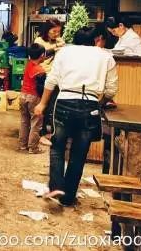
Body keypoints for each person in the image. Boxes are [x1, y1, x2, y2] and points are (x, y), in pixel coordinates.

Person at [35, 27, 118, 206]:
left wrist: (42, 104)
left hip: (64, 102)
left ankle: (56, 186)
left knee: (58, 147)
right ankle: (68, 197)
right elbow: (111, 90)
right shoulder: (106, 57)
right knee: (79, 153)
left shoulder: (64, 52)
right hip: (90, 105)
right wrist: (99, 103)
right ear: (95, 39)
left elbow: (51, 80)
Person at [18, 44, 46, 154]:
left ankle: (22, 145)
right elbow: (40, 88)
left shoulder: (28, 64)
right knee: (36, 122)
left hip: (23, 95)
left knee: (24, 121)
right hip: (33, 97)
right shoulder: (40, 70)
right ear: (42, 55)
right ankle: (33, 147)